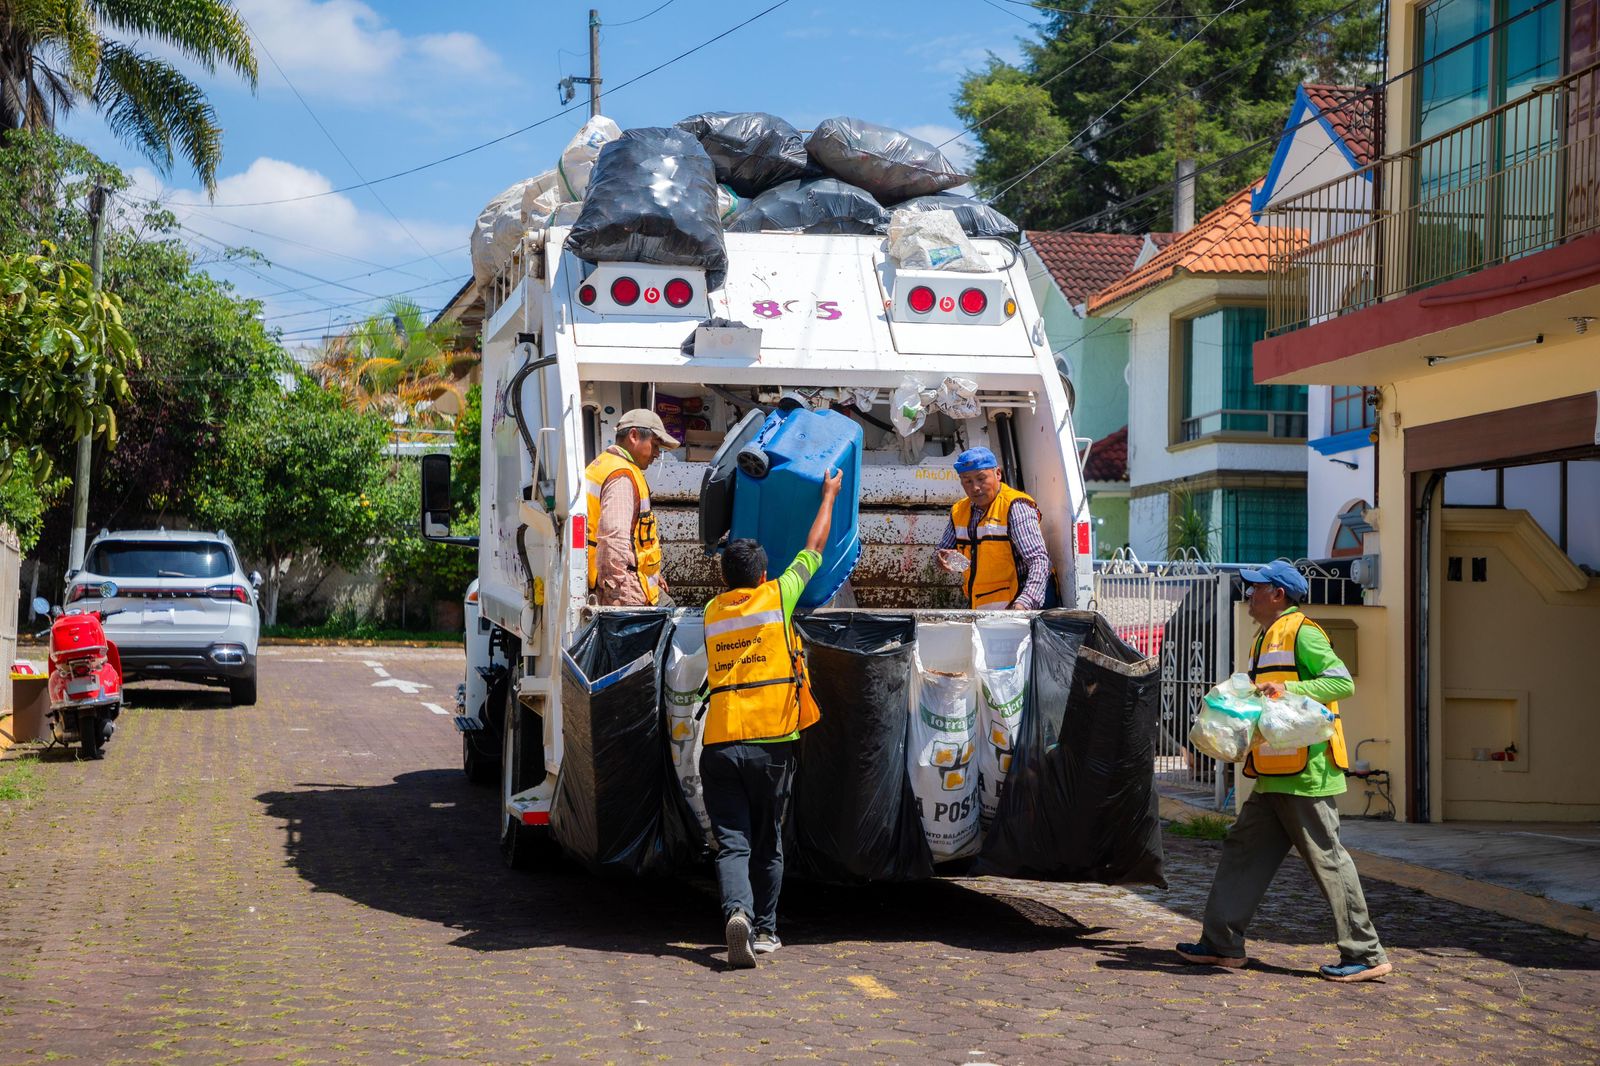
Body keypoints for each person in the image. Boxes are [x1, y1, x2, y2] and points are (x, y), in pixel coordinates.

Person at [1177, 559, 1392, 983]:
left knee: (1327, 860)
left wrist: (1289, 687)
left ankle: (1365, 954)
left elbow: (1341, 682)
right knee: (1243, 849)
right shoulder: (1264, 638)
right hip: (1276, 771)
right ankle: (1222, 944)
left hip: (1307, 772)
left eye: (1257, 588)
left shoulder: (1303, 632)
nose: (1249, 595)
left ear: (1278, 594)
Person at [700, 468, 843, 969]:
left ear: (725, 580)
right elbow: (817, 545)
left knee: (732, 843)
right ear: (763, 576)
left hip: (719, 744)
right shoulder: (778, 595)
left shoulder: (712, 611)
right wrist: (828, 494)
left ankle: (736, 911)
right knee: (768, 842)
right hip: (771, 743)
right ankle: (765, 929)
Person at [933, 446, 1051, 610]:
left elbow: (1038, 560)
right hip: (980, 612)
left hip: (1014, 611)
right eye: (967, 481)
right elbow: (941, 551)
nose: (975, 487)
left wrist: (1025, 603)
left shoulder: (1015, 507)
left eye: (981, 478)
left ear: (998, 474)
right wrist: (941, 558)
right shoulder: (959, 511)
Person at [584, 409, 678, 607]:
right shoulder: (622, 476)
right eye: (654, 445)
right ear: (634, 436)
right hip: (625, 588)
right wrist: (614, 590)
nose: (656, 454)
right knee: (667, 615)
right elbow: (613, 535)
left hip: (627, 579)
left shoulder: (603, 464)